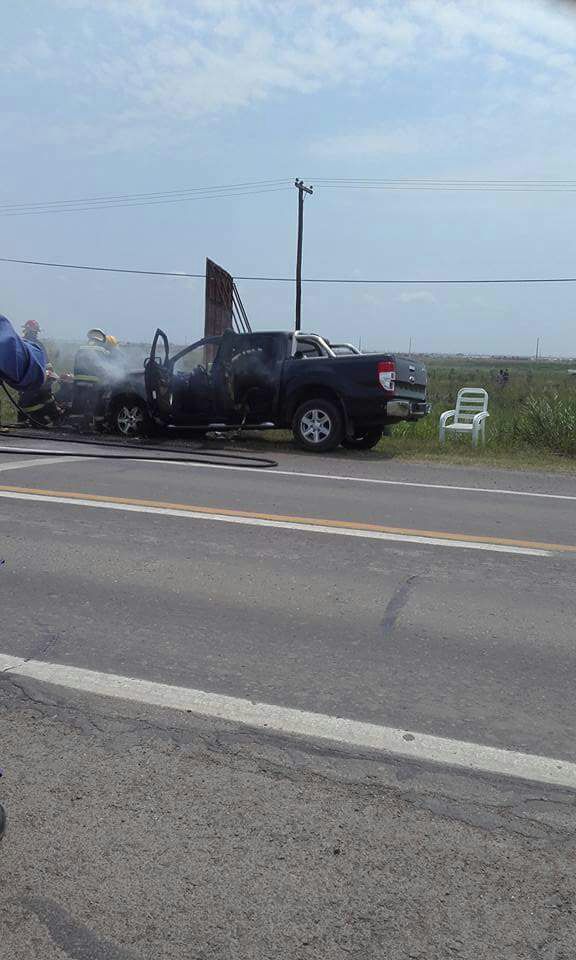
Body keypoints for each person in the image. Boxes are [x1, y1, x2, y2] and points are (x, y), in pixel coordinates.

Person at [72, 328, 110, 429]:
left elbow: (76, 364)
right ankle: (98, 425)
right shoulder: (102, 350)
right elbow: (105, 366)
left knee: (79, 402)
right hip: (94, 381)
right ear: (101, 339)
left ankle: (76, 423)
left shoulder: (81, 348)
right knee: (96, 402)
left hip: (79, 380)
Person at [0, 313, 46, 391]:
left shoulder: (37, 345)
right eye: (31, 332)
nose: (33, 334)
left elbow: (46, 362)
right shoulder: (17, 342)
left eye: (34, 332)